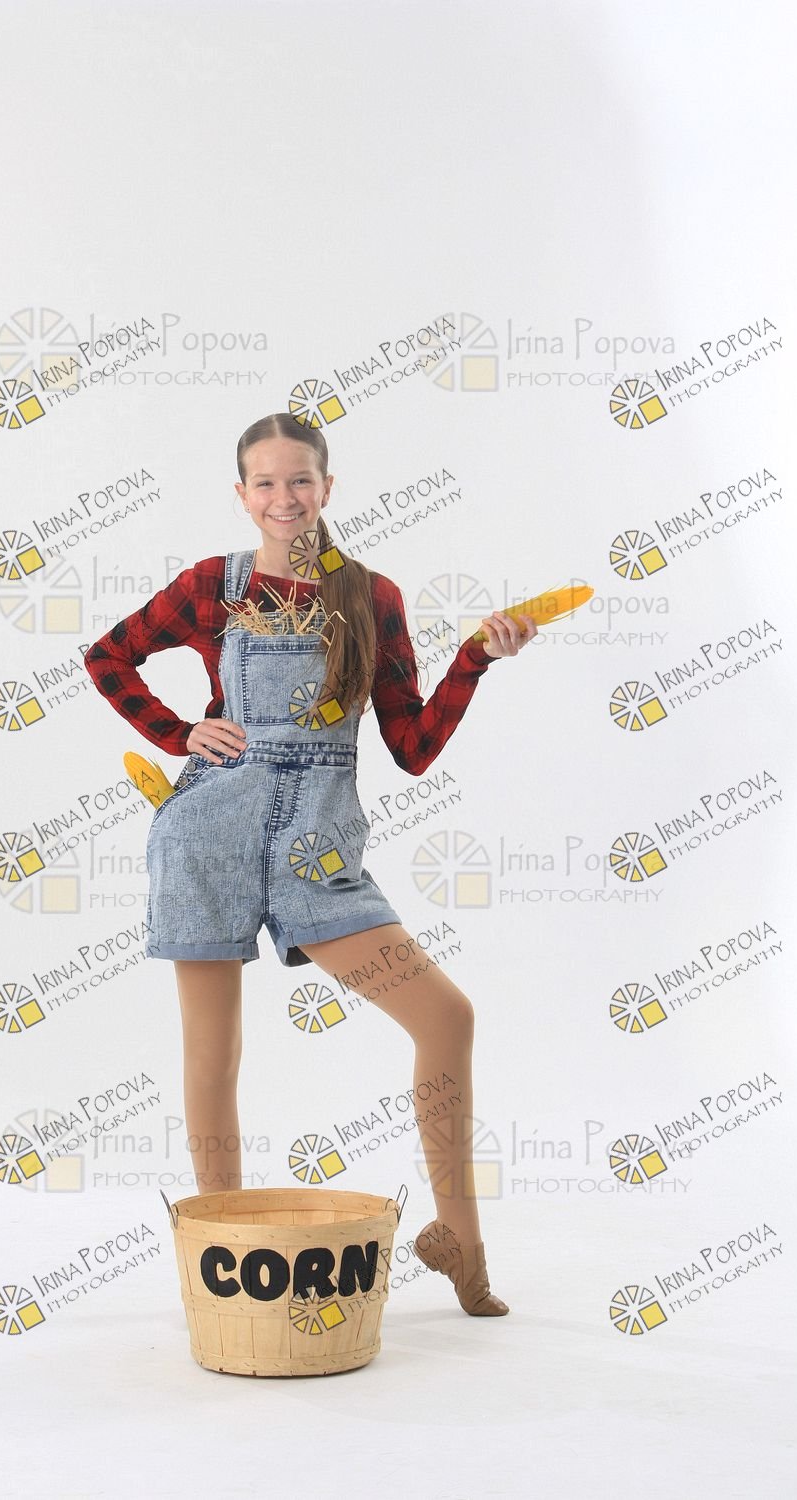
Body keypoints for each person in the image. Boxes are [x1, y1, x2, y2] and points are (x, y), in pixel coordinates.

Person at [83, 411, 537, 1317]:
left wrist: (473, 661)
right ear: (242, 494)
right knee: (213, 1054)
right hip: (207, 835)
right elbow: (108, 658)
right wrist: (179, 733)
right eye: (265, 482)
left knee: (445, 1017)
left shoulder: (371, 597)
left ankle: (458, 1242)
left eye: (300, 480)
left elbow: (411, 748)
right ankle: (218, 1258)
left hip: (317, 851)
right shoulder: (212, 586)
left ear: (328, 488)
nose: (284, 497)